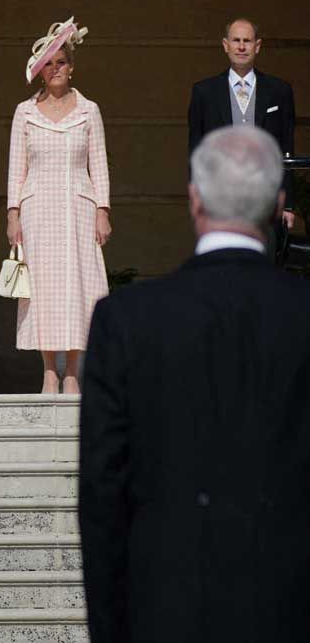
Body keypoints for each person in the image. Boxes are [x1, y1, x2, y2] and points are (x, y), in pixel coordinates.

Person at [80, 125, 310, 642]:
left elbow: (102, 501)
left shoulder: (126, 321)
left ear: (194, 199)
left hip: (165, 611)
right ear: (278, 205)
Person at [5, 17, 111, 394]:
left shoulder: (89, 110)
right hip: (38, 211)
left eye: (61, 62)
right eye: (49, 64)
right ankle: (50, 370)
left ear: (71, 67)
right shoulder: (25, 112)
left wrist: (103, 210)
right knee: (44, 290)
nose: (56, 69)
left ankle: (73, 373)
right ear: (41, 71)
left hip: (79, 211)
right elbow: (17, 166)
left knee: (78, 287)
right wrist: (13, 214)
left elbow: (98, 162)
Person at [187, 18, 296, 231]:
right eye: (236, 40)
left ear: (258, 46)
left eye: (247, 40)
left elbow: (287, 148)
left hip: (267, 199)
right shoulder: (204, 92)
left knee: (264, 262)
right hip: (218, 200)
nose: (242, 46)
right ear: (225, 45)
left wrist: (288, 204)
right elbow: (196, 151)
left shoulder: (279, 91)